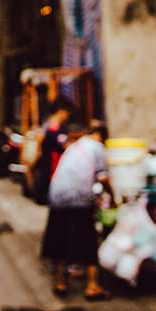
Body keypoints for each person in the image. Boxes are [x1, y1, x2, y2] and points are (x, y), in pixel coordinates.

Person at [41, 121, 112, 300]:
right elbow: (103, 178)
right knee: (88, 240)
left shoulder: (74, 147)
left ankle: (60, 282)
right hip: (79, 197)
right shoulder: (97, 147)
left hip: (57, 194)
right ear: (102, 136)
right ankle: (93, 286)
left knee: (60, 239)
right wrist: (114, 196)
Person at [30, 99, 72, 205]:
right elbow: (63, 144)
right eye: (66, 112)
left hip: (48, 159)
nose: (67, 116)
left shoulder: (50, 124)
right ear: (60, 111)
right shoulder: (54, 127)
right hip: (52, 160)